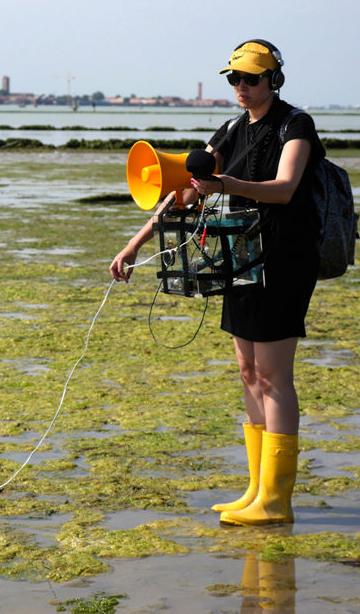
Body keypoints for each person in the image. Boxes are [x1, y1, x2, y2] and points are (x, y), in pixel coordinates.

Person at [108, 39, 326, 526]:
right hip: (241, 258)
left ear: (274, 79)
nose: (242, 87)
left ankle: (276, 500)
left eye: (251, 78)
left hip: (284, 260)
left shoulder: (295, 124)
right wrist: (136, 242)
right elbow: (184, 190)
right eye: (235, 79)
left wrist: (226, 185)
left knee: (274, 377)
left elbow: (286, 188)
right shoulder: (228, 130)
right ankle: (255, 490)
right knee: (249, 373)